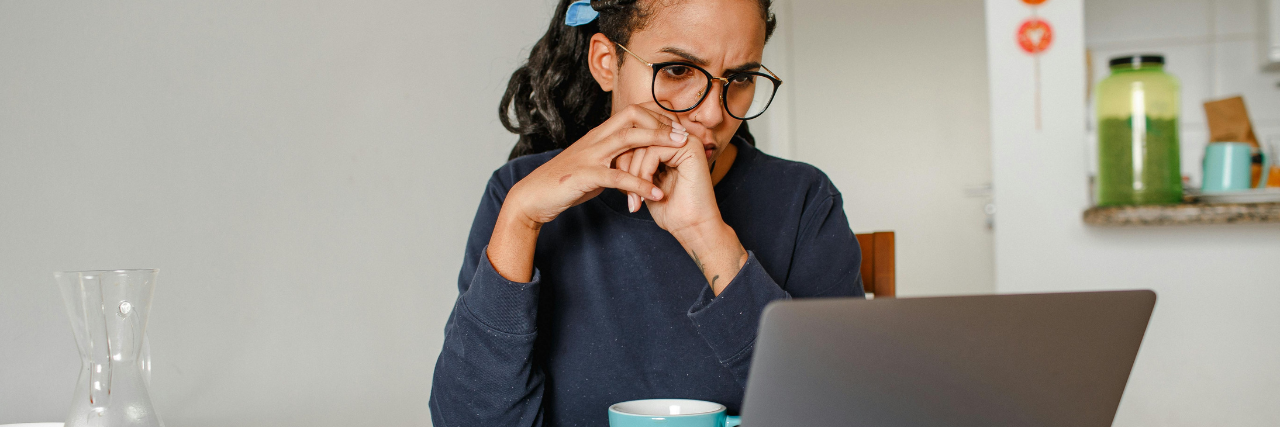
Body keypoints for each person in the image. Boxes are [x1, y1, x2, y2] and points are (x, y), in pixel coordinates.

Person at [429, 0, 863, 425]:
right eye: (678, 70)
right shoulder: (519, 195)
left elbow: (839, 413)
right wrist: (520, 220)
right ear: (605, 62)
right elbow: (467, 419)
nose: (712, 113)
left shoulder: (804, 199)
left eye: (741, 77)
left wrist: (706, 236)